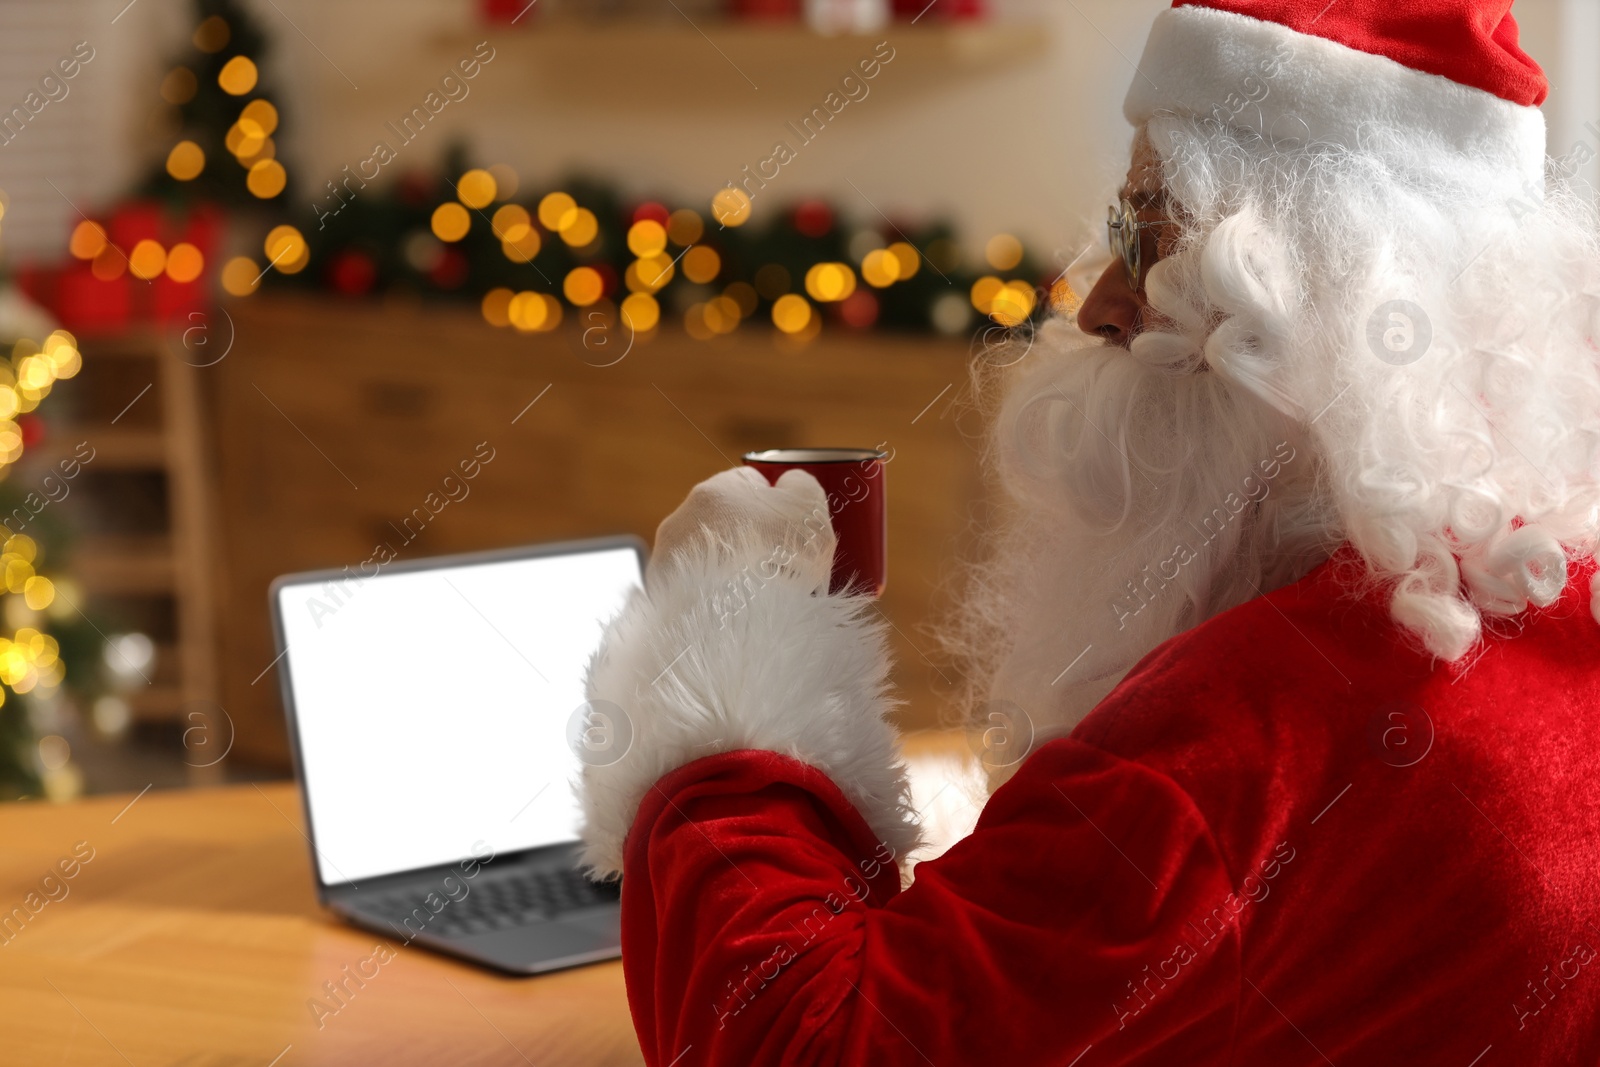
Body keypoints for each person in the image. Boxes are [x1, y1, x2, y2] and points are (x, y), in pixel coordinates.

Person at [575, 0, 1600, 1061]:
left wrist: (726, 663)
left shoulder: (1240, 728)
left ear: (1323, 300)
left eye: (1152, 242)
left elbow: (805, 1042)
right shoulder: (1558, 612)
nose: (1099, 305)